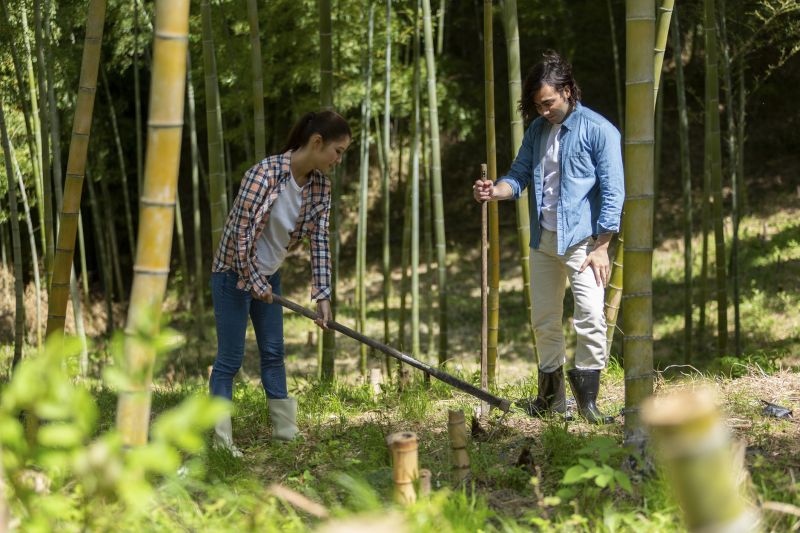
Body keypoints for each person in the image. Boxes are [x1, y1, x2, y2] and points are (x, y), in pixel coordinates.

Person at [473, 51, 624, 424]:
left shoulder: (599, 130)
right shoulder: (537, 130)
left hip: (583, 243)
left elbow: (613, 191)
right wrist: (495, 191)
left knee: (590, 317)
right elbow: (519, 175)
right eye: (537, 105)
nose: (543, 111)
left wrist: (603, 246)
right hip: (543, 242)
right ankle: (551, 400)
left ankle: (587, 402)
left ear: (568, 91)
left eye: (548, 103)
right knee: (544, 319)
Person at [210, 111, 351, 453]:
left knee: (273, 352)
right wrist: (253, 281)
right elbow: (240, 235)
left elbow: (319, 241)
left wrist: (323, 296)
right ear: (316, 143)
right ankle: (220, 441)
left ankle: (286, 432)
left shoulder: (320, 187)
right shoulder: (264, 175)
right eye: (338, 150)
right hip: (233, 273)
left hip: (269, 273)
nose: (339, 159)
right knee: (230, 359)